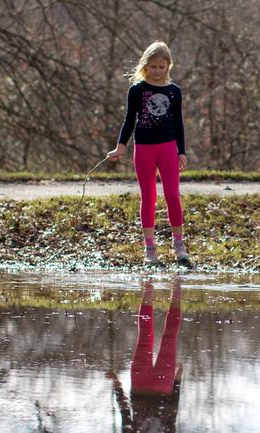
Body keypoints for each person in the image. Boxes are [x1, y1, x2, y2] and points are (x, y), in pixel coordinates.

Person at [107, 41, 189, 265]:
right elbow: (129, 120)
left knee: (172, 195)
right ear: (146, 66)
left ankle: (179, 245)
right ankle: (150, 248)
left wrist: (181, 150)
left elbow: (178, 123)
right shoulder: (137, 90)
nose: (157, 71)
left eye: (162, 67)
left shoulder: (174, 92)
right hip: (144, 149)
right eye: (153, 66)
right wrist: (121, 146)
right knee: (149, 197)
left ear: (168, 66)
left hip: (168, 148)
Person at [107, 279, 183, 433]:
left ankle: (176, 288)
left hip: (162, 387)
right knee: (145, 336)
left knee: (170, 336)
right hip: (141, 385)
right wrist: (116, 384)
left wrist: (177, 381)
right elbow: (125, 411)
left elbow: (171, 414)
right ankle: (149, 288)